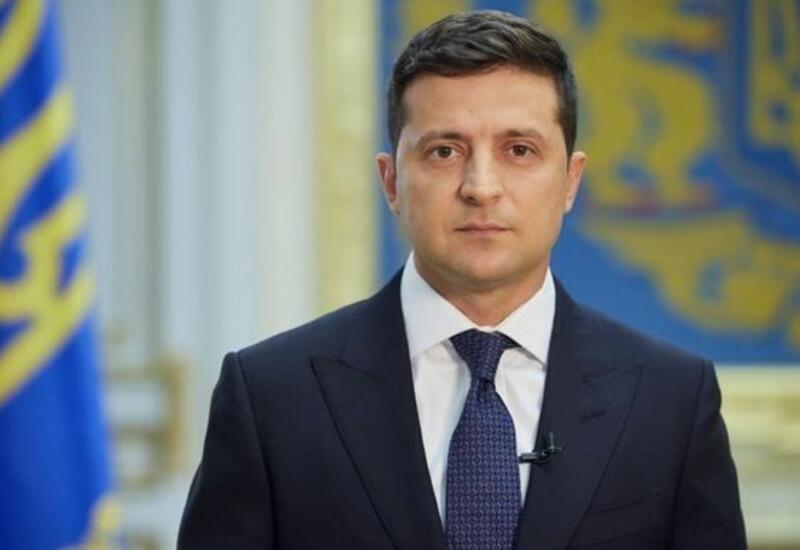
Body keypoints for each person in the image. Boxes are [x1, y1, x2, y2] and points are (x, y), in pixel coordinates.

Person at [178, 11, 746, 550]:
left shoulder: (671, 399)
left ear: (571, 181)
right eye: (444, 151)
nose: (481, 187)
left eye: (519, 150)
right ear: (392, 181)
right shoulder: (270, 396)